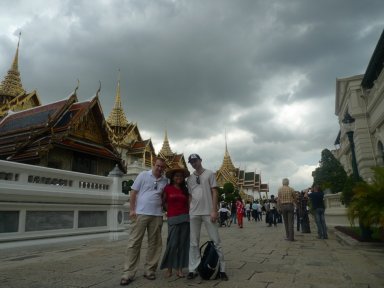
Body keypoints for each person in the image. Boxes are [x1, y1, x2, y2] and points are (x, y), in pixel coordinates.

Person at [120, 158, 168, 286]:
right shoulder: (143, 175)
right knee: (134, 243)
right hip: (141, 213)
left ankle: (149, 270)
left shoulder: (165, 181)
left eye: (162, 167)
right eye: (158, 166)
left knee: (155, 244)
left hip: (157, 215)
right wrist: (132, 210)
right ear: (154, 165)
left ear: (164, 168)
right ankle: (128, 272)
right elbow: (133, 193)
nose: (159, 169)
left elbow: (164, 198)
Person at [186, 153, 228, 281]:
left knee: (216, 241)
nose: (194, 163)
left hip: (208, 211)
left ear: (200, 160)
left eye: (195, 161)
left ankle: (222, 269)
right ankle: (193, 269)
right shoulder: (190, 179)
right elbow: (190, 196)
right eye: (192, 162)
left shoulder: (210, 174)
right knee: (193, 242)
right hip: (194, 213)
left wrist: (214, 210)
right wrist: (190, 209)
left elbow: (215, 192)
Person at [160, 165, 190, 278]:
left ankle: (180, 269)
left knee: (182, 245)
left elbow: (188, 203)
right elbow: (163, 202)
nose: (179, 178)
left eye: (181, 176)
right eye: (177, 176)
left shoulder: (185, 190)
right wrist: (170, 211)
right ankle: (169, 268)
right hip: (173, 218)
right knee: (172, 245)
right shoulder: (167, 188)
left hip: (185, 218)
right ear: (172, 177)